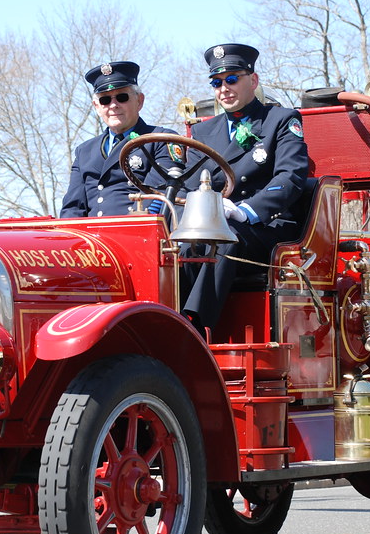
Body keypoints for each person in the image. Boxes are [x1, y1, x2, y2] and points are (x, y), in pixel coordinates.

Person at [180, 43, 310, 334]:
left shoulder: (282, 121)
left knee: (226, 240)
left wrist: (245, 210)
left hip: (267, 226)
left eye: (231, 79)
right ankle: (170, 318)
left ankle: (197, 329)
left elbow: (291, 178)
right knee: (181, 244)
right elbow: (189, 187)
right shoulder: (202, 132)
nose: (223, 88)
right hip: (214, 222)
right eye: (216, 82)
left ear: (253, 80)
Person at [60, 61, 182, 218]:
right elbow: (72, 209)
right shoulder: (84, 151)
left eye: (122, 97)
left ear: (139, 101)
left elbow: (158, 196)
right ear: (96, 107)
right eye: (105, 100)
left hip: (138, 234)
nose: (113, 105)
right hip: (91, 239)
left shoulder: (160, 140)